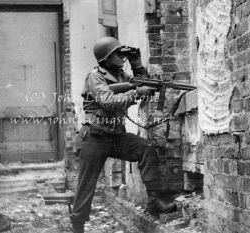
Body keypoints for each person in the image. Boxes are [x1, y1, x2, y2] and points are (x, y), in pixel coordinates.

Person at [70, 37, 177, 233]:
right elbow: (109, 102)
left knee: (145, 149)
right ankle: (77, 226)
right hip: (94, 137)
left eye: (123, 54)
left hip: (116, 136)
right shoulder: (95, 76)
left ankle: (154, 200)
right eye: (119, 54)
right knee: (86, 185)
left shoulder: (122, 76)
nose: (123, 57)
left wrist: (137, 64)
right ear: (107, 58)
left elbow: (146, 84)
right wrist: (135, 92)